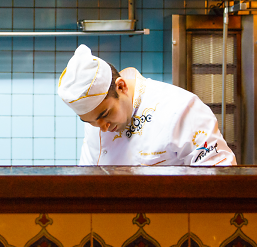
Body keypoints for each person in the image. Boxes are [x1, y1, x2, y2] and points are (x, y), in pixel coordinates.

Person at [57, 44, 236, 166]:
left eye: (105, 115)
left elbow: (219, 177)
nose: (102, 128)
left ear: (121, 86)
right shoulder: (98, 123)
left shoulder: (180, 109)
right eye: (90, 122)